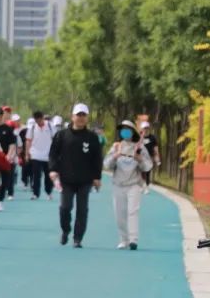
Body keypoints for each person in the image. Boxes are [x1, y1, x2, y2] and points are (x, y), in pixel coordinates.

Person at [49, 104, 103, 248]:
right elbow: (53, 154)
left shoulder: (92, 137)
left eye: (83, 115)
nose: (80, 118)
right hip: (66, 179)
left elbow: (97, 158)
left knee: (82, 209)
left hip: (85, 179)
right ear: (72, 116)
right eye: (78, 115)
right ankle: (66, 230)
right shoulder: (61, 135)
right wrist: (53, 170)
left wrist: (97, 177)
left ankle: (78, 238)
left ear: (87, 118)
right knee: (65, 207)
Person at [104, 121, 153, 250]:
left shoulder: (140, 147)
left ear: (133, 132)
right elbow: (106, 165)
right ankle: (123, 239)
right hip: (118, 184)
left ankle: (133, 240)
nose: (125, 132)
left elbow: (148, 166)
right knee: (119, 214)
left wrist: (139, 159)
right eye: (122, 129)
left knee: (133, 212)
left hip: (134, 184)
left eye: (128, 129)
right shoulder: (116, 146)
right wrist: (115, 156)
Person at [0, 108, 16, 211]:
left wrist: (9, 156)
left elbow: (12, 145)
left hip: (4, 158)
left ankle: (0, 200)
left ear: (1, 116)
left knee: (4, 180)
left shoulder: (8, 129)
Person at [27, 111, 55, 200]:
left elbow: (56, 139)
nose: (39, 122)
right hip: (35, 154)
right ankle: (35, 193)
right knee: (36, 175)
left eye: (40, 119)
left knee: (48, 175)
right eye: (37, 120)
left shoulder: (50, 126)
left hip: (48, 155)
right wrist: (27, 153)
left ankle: (48, 192)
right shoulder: (32, 127)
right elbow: (28, 140)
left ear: (43, 118)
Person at [140, 121, 160, 193]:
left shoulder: (152, 138)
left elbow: (155, 148)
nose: (145, 129)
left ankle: (146, 187)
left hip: (149, 157)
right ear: (142, 129)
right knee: (141, 172)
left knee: (147, 172)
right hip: (140, 157)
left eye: (147, 128)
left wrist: (157, 156)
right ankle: (143, 185)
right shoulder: (139, 136)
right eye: (144, 128)